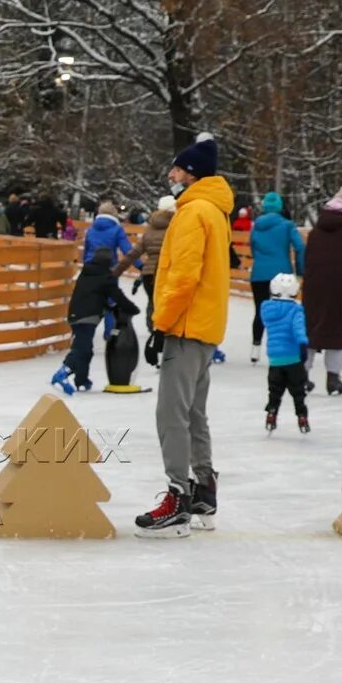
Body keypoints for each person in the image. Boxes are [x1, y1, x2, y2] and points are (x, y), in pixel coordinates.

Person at [135, 134, 232, 538]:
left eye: (176, 168)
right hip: (205, 327)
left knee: (171, 413)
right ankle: (203, 489)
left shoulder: (193, 214)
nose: (171, 175)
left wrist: (161, 322)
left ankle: (178, 496)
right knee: (193, 412)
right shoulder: (214, 211)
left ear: (190, 173)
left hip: (186, 325)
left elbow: (183, 276)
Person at [302, 186, 342, 396]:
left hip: (315, 288)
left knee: (311, 331)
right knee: (336, 334)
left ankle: (302, 376)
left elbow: (307, 261)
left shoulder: (315, 231)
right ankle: (333, 378)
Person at [52, 244, 133, 394]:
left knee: (86, 349)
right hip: (88, 317)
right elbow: (115, 296)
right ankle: (62, 373)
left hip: (75, 315)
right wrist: (130, 309)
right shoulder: (105, 276)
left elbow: (94, 295)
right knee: (81, 348)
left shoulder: (87, 273)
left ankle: (82, 380)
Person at [245, 192, 305, 363]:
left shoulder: (256, 226)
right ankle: (282, 351)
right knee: (284, 313)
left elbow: (252, 247)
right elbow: (300, 247)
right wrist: (300, 271)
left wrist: (261, 261)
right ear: (280, 207)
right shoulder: (287, 225)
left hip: (259, 274)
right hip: (282, 275)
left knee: (260, 310)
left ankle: (255, 349)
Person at [260, 272, 310, 434]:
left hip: (275, 359)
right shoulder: (296, 310)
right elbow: (298, 329)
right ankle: (302, 416)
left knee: (275, 390)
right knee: (298, 391)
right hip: (293, 358)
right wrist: (303, 345)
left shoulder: (266, 308)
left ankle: (272, 412)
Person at [116, 196, 175, 327]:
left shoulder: (150, 228)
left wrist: (116, 271)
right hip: (166, 273)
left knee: (152, 303)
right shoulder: (177, 227)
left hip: (148, 274)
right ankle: (161, 332)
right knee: (166, 305)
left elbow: (134, 253)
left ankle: (152, 330)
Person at [81, 201, 131, 266]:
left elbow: (86, 250)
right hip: (108, 266)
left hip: (89, 265)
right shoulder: (117, 230)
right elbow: (128, 250)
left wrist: (85, 263)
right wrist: (140, 266)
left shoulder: (91, 229)